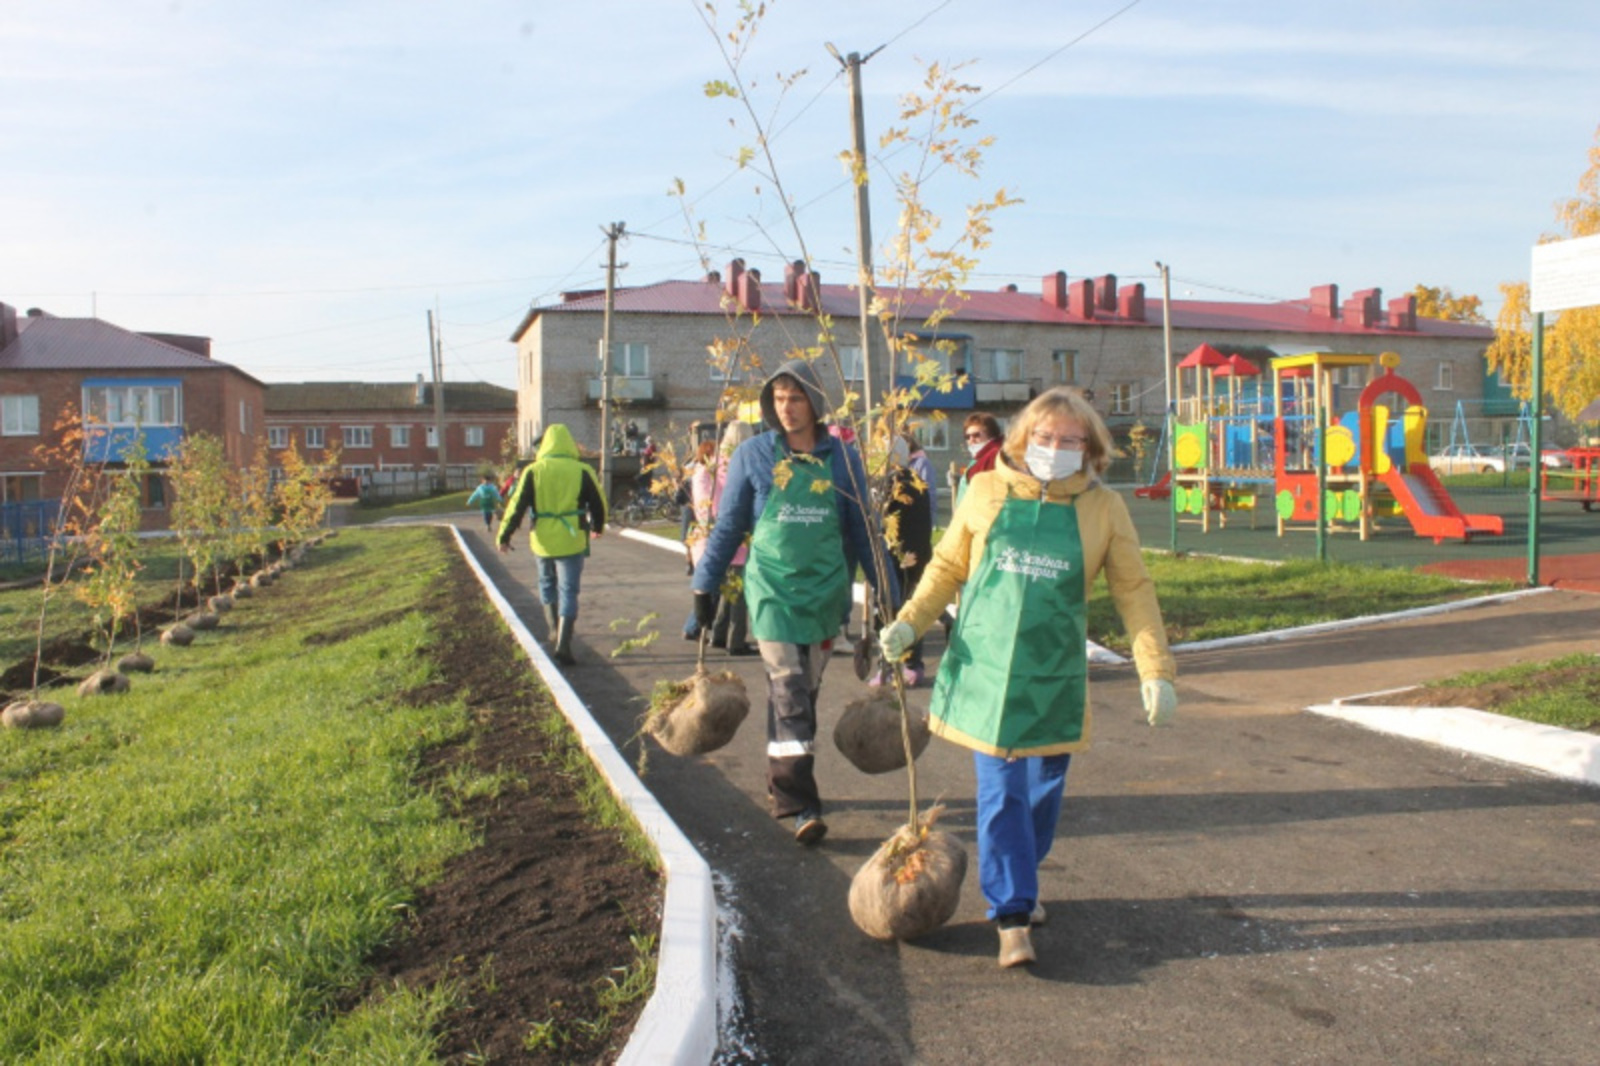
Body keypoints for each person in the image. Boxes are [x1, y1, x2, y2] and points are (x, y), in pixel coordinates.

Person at [878, 386, 1176, 969]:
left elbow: (1134, 589)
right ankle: (1011, 914)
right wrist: (909, 622)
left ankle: (1022, 873)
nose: (1055, 448)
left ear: (1089, 449)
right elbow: (947, 566)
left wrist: (1155, 670)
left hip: (1053, 673)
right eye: (1045, 436)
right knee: (1002, 791)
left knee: (1043, 790)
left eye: (1070, 440)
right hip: (987, 670)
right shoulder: (985, 490)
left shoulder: (1103, 508)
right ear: (1022, 438)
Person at [692, 359, 897, 845]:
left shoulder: (844, 459)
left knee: (802, 695)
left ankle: (781, 777)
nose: (786, 408)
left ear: (816, 402)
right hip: (772, 594)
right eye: (779, 398)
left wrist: (889, 596)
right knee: (789, 690)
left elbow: (865, 532)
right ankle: (800, 803)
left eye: (796, 398)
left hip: (824, 595)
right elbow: (729, 525)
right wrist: (704, 585)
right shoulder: (754, 454)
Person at [497, 424, 608, 666]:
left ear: (545, 444)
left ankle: (554, 629)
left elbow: (517, 506)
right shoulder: (583, 470)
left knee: (547, 582)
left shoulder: (533, 471)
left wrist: (504, 536)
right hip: (572, 538)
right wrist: (598, 526)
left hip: (543, 539)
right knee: (569, 589)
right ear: (569, 444)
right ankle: (564, 643)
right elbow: (598, 502)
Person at [688, 421, 757, 654]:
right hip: (738, 532)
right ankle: (736, 640)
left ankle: (718, 634)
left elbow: (704, 503)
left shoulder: (711, 465)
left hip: (713, 532)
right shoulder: (742, 463)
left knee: (727, 589)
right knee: (738, 592)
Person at [873, 434, 932, 687]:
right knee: (905, 610)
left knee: (893, 612)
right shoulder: (916, 480)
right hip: (913, 554)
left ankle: (900, 666)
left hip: (901, 556)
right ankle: (902, 666)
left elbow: (881, 520)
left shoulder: (895, 483)